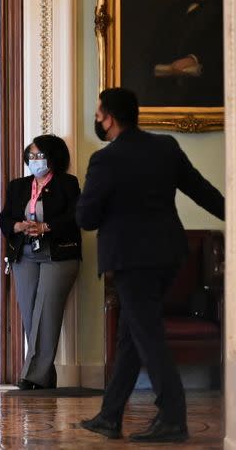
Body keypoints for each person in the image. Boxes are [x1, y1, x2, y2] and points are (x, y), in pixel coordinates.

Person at [77, 88, 224, 442]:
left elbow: (86, 217)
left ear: (108, 117)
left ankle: (173, 417)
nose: (97, 119)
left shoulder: (105, 160)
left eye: (99, 113)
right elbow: (201, 190)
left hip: (131, 262)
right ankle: (110, 416)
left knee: (148, 337)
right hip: (169, 256)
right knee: (132, 334)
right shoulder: (165, 148)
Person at [0, 134, 82, 391]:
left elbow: (76, 216)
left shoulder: (68, 184)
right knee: (32, 315)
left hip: (58, 254)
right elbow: (4, 217)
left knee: (46, 312)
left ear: (53, 158)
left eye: (40, 156)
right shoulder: (18, 186)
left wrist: (46, 227)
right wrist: (18, 225)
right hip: (25, 255)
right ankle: (44, 376)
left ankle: (31, 375)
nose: (34, 161)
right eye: (31, 156)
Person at [150, 0, 223, 107]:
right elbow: (158, 44)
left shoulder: (225, 9)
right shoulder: (175, 9)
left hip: (207, 94)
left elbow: (223, 48)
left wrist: (193, 59)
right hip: (169, 94)